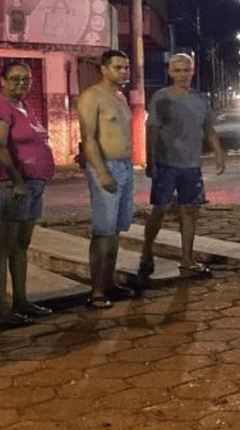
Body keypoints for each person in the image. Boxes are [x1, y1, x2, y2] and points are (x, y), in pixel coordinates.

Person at [0, 62, 55, 327]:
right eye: (15, 78)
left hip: (32, 186)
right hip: (13, 187)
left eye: (26, 79)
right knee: (3, 247)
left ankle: (21, 301)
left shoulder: (25, 107)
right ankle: (2, 309)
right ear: (2, 81)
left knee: (21, 246)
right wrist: (17, 181)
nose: (21, 83)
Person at [137, 53, 225, 285]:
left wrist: (218, 152)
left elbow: (208, 128)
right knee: (160, 210)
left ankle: (187, 259)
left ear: (192, 71)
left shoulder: (200, 99)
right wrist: (150, 160)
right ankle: (147, 251)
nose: (182, 75)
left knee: (190, 212)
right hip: (166, 163)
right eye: (177, 71)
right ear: (170, 72)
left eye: (186, 70)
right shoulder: (161, 97)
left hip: (191, 165)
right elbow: (151, 130)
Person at [77, 49, 135, 308]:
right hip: (105, 166)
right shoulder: (92, 96)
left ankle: (109, 283)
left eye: (126, 68)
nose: (123, 72)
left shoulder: (120, 97)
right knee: (103, 231)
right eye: (117, 67)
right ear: (103, 69)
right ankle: (97, 291)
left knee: (115, 231)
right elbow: (88, 138)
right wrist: (101, 171)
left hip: (125, 167)